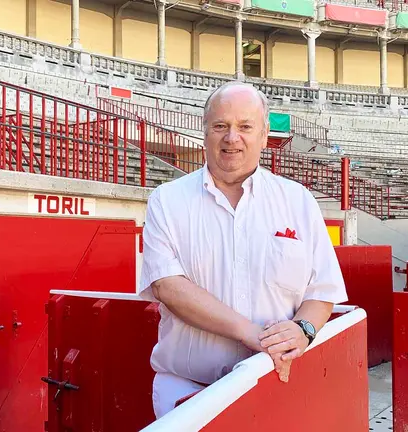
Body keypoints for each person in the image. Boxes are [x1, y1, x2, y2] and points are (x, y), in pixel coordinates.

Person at [138, 82, 348, 419]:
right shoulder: (168, 200)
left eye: (245, 127)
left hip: (276, 382)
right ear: (204, 132)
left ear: (265, 136)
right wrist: (254, 336)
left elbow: (322, 290)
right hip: (188, 390)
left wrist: (304, 330)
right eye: (220, 126)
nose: (232, 138)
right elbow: (167, 285)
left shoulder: (298, 201)